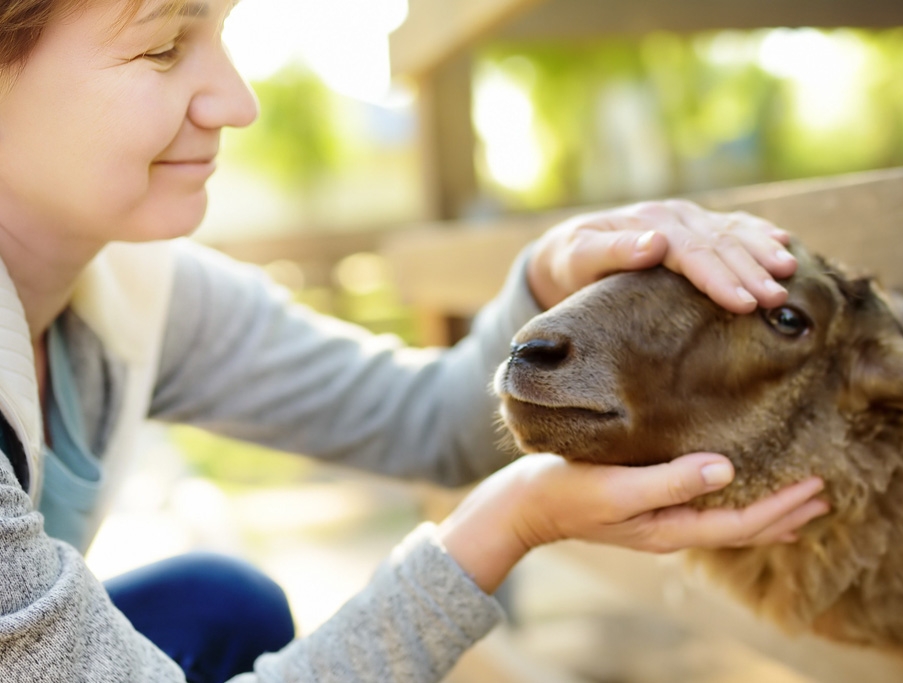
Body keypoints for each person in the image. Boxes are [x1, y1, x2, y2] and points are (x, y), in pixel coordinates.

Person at [0, 0, 830, 681]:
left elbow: (424, 420)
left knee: (219, 608)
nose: (238, 102)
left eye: (223, 36)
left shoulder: (137, 289)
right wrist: (510, 524)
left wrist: (552, 277)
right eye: (164, 48)